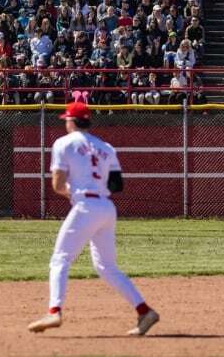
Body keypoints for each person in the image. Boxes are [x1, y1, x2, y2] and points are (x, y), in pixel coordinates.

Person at [27, 102, 159, 336]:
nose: (65, 122)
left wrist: (75, 190)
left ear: (73, 121)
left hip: (86, 206)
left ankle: (54, 311)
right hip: (107, 207)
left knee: (60, 259)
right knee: (107, 267)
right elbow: (117, 185)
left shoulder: (63, 143)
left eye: (67, 119)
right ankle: (144, 311)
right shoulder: (106, 147)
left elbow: (57, 185)